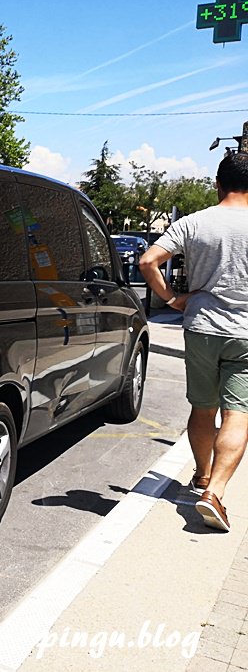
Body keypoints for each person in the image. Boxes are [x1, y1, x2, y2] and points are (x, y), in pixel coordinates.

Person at [139, 152, 248, 532]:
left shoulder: (195, 222)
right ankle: (214, 492)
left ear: (217, 183)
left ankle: (202, 476)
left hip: (202, 326)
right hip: (246, 334)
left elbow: (147, 261)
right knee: (238, 414)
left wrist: (171, 299)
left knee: (204, 409)